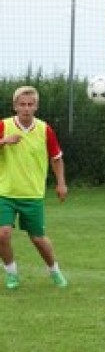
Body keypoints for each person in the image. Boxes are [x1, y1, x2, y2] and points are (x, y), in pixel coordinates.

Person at [0, 86, 69, 290]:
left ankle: (54, 270)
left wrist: (61, 183)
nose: (26, 108)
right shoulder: (4, 126)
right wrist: (3, 141)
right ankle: (12, 273)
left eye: (30, 104)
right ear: (15, 106)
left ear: (36, 106)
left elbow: (57, 158)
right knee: (2, 234)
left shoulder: (44, 129)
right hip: (5, 193)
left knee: (38, 239)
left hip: (32, 194)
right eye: (22, 104)